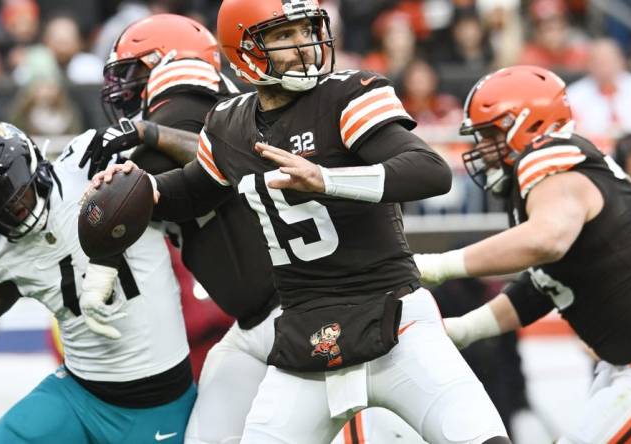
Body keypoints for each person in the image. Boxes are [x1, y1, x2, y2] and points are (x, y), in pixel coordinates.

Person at [89, 1, 510, 443]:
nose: (304, 47)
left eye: (307, 31)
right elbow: (192, 188)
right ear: (244, 49)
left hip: (392, 319)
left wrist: (328, 180)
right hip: (305, 340)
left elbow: (429, 170)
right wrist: (141, 190)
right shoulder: (229, 125)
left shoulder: (346, 94)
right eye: (284, 36)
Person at [413, 65, 631, 444]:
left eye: (488, 134)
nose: (480, 148)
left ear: (526, 125)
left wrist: (437, 266)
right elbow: (542, 286)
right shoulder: (548, 179)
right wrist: (462, 329)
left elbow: (546, 240)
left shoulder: (549, 155)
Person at [0, 121, 198, 443]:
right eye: (3, 211)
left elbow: (215, 161)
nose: (18, 212)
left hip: (158, 401)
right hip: (76, 393)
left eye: (18, 196)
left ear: (33, 164)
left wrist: (149, 132)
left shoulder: (92, 164)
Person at [77, 14, 281, 443]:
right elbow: (131, 206)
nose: (125, 90)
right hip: (251, 326)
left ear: (164, 62)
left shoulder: (191, 102)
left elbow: (222, 159)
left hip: (299, 308)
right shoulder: (163, 137)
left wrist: (144, 132)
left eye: (133, 73)